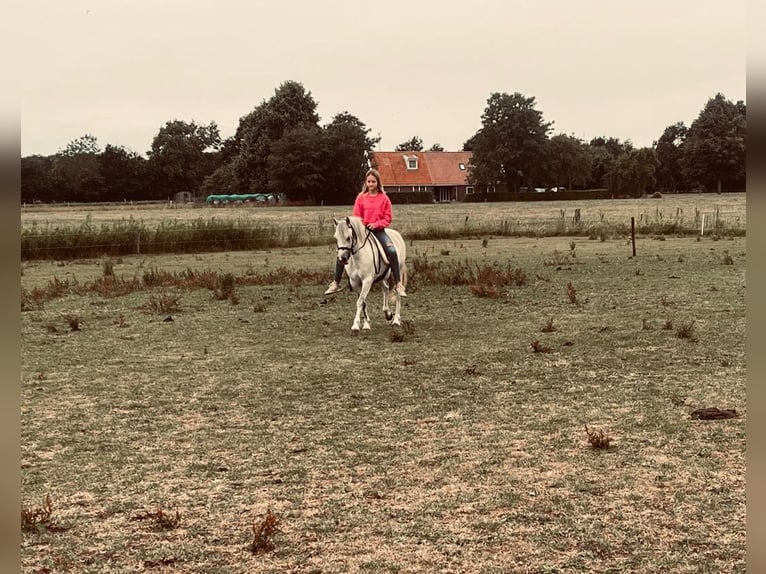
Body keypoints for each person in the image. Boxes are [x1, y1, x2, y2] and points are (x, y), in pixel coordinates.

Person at [325, 168, 407, 297]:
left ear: (378, 183)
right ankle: (336, 282)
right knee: (343, 250)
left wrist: (376, 224)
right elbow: (357, 216)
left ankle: (398, 283)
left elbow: (388, 218)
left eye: (373, 181)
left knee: (391, 251)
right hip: (363, 231)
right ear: (366, 183)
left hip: (378, 231)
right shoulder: (361, 198)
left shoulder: (384, 198)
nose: (371, 184)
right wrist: (363, 224)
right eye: (369, 181)